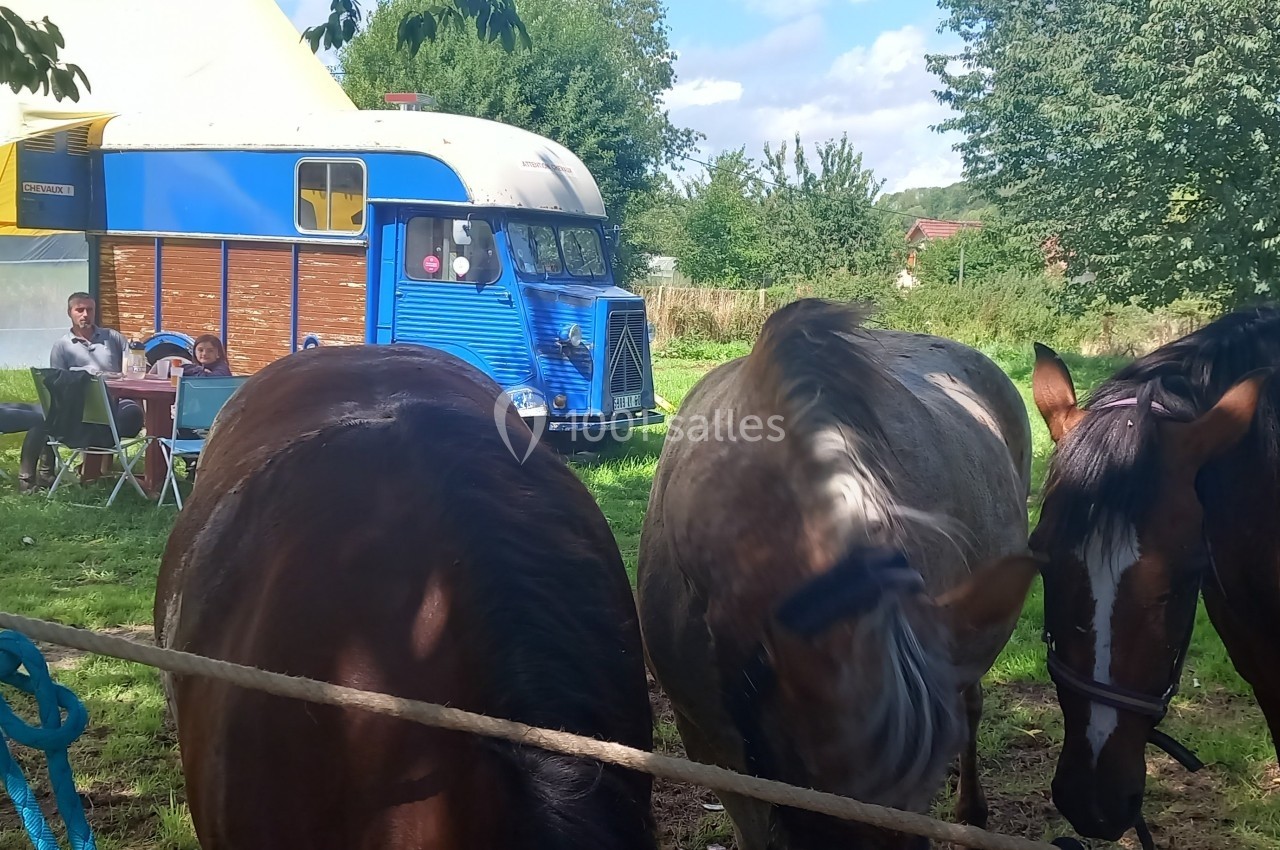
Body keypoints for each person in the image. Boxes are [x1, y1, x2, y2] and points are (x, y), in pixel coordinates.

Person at [16, 292, 145, 492]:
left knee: (133, 413)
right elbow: (58, 384)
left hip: (115, 403)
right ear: (70, 313)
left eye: (90, 309)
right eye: (80, 310)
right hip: (78, 410)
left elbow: (136, 367)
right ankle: (35, 478)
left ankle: (94, 471)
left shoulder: (113, 338)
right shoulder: (62, 346)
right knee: (42, 419)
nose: (85, 314)